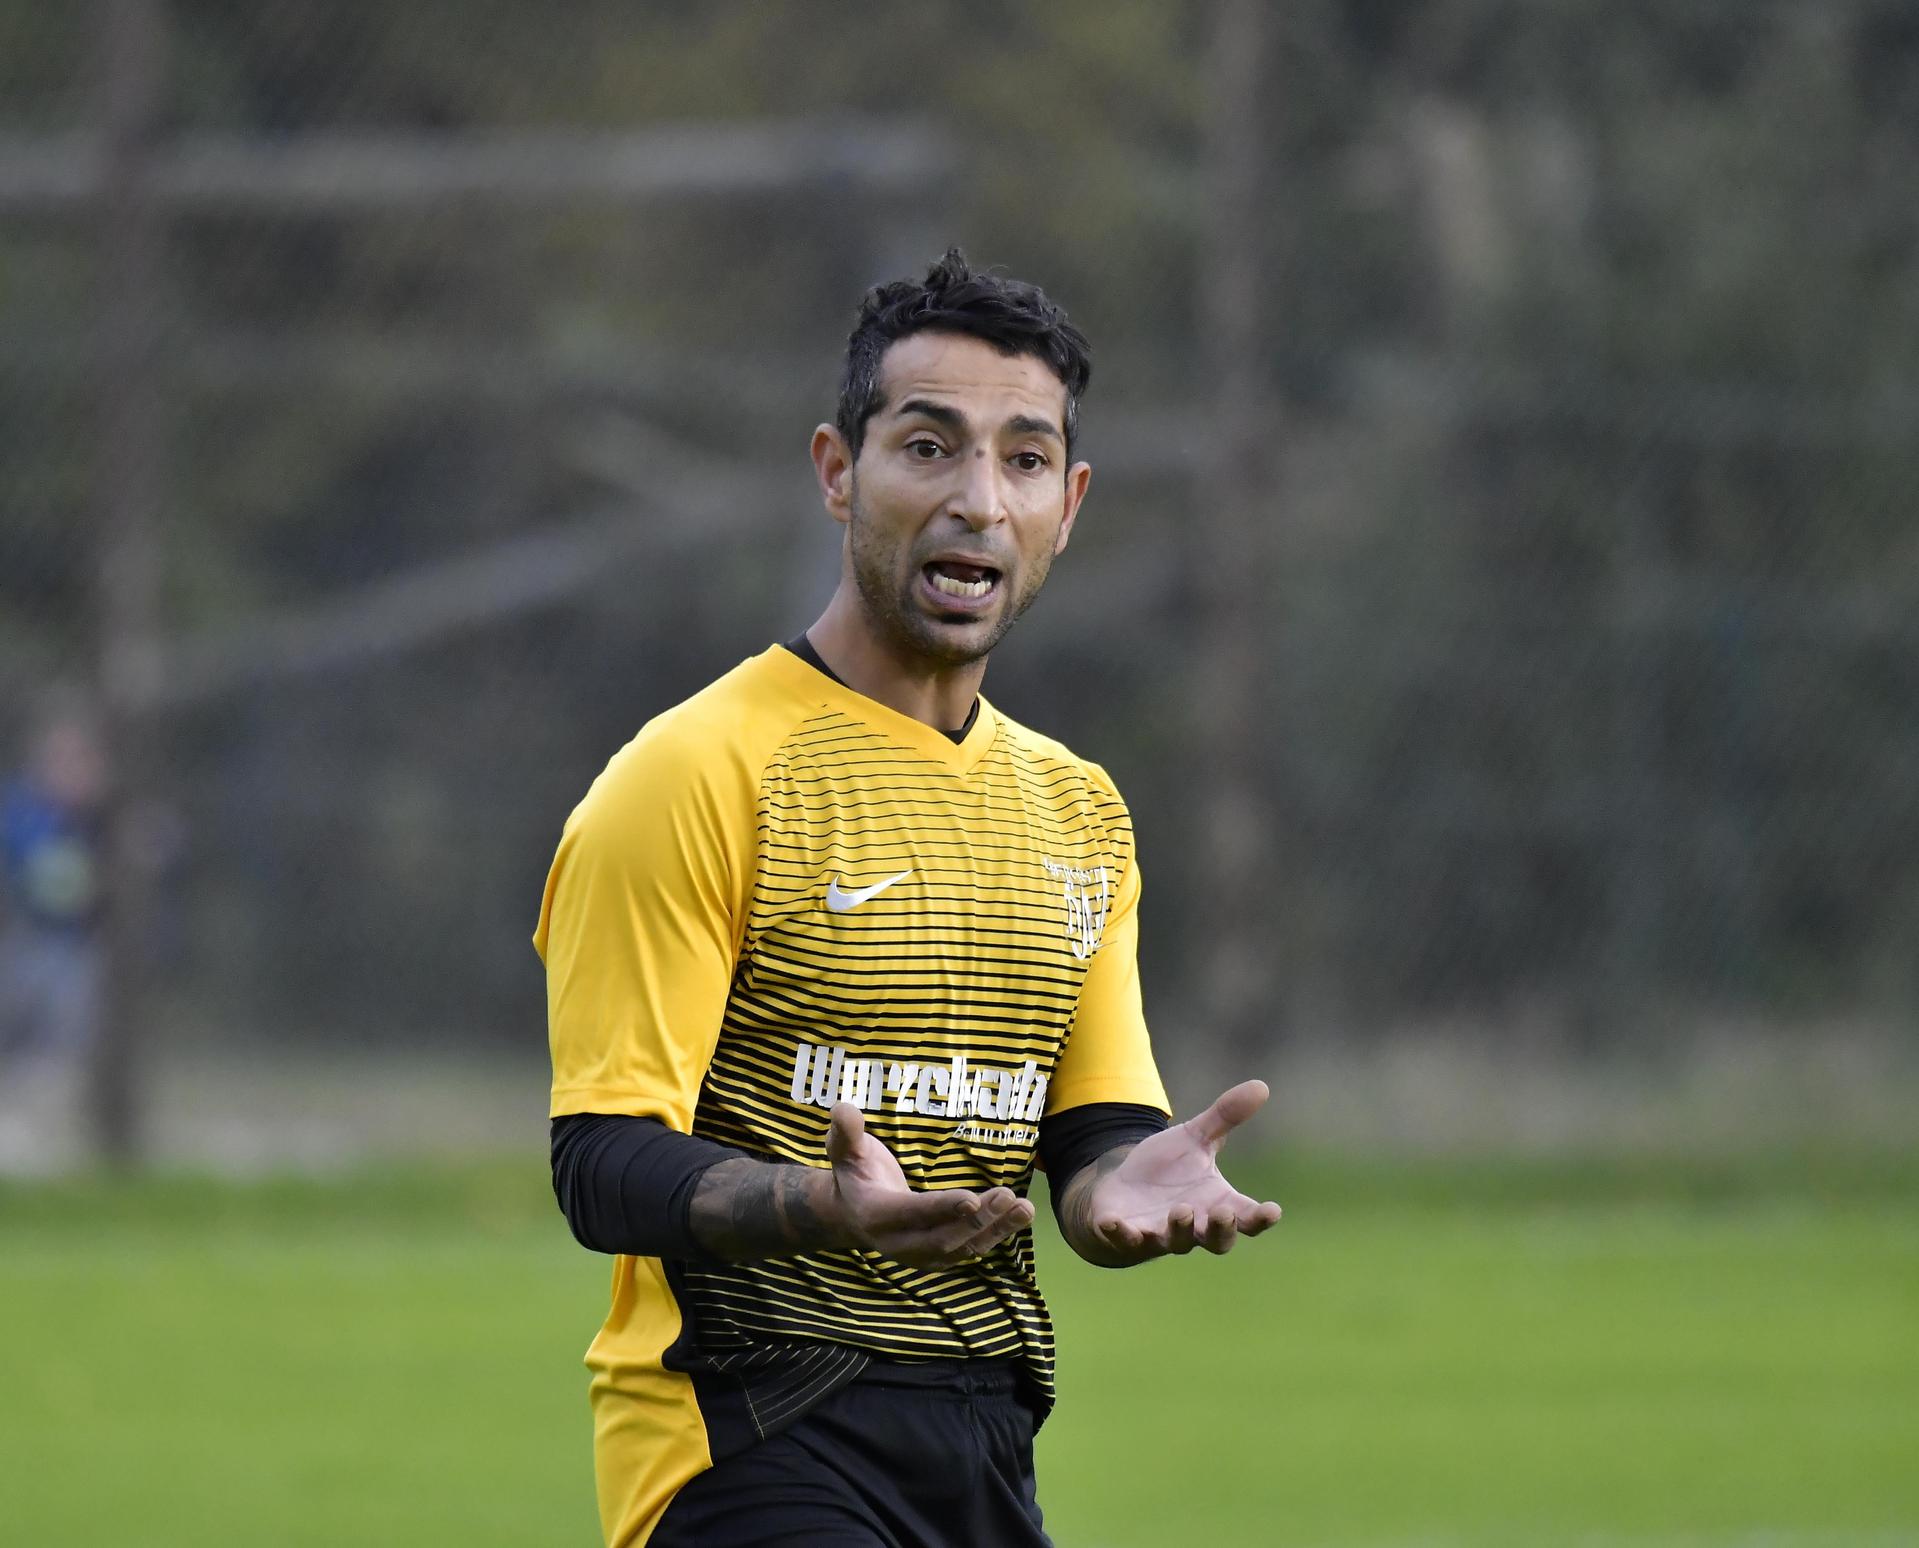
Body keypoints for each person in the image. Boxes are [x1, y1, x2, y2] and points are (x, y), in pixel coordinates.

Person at [538, 249, 1283, 1548]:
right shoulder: (694, 774)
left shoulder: (1077, 811)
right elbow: (601, 1159)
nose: (977, 500)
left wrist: (1118, 1183)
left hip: (986, 1435)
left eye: (1023, 459)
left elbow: (1089, 1131)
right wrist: (821, 1206)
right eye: (928, 448)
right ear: (837, 471)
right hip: (744, 1433)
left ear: (1069, 502)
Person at [0, 703, 107, 1171]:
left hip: (73, 950)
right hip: (21, 942)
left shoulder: (103, 820)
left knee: (64, 1037)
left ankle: (38, 1131)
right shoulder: (19, 813)